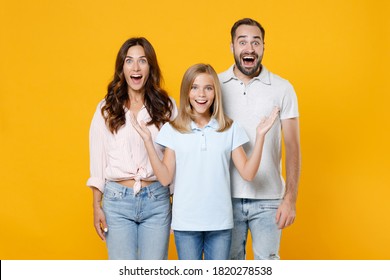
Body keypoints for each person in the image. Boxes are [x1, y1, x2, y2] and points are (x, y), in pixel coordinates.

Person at [131, 63, 279, 260]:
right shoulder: (173, 129)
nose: (201, 94)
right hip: (185, 224)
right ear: (187, 92)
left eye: (208, 88)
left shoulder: (229, 128)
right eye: (194, 87)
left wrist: (260, 136)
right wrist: (148, 142)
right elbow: (165, 178)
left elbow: (248, 173)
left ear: (215, 93)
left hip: (220, 224)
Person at [86, 37, 177, 260]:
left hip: (157, 200)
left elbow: (176, 160)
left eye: (142, 61)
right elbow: (98, 161)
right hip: (117, 201)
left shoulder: (167, 107)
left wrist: (178, 203)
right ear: (122, 68)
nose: (135, 67)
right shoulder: (106, 108)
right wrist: (97, 206)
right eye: (129, 61)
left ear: (150, 67)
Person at [218, 18, 301, 260]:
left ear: (263, 47)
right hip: (225, 198)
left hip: (269, 200)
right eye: (242, 41)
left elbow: (293, 146)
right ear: (232, 47)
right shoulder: (214, 86)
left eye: (256, 42)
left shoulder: (282, 88)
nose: (249, 48)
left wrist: (290, 199)